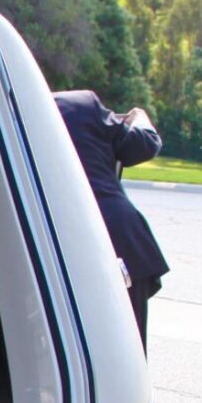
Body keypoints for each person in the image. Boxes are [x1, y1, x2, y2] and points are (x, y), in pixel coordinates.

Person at [53, 89, 168, 349]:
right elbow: (142, 145)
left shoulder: (7, 113)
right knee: (128, 346)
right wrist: (140, 118)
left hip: (55, 242)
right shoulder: (82, 105)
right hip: (115, 235)